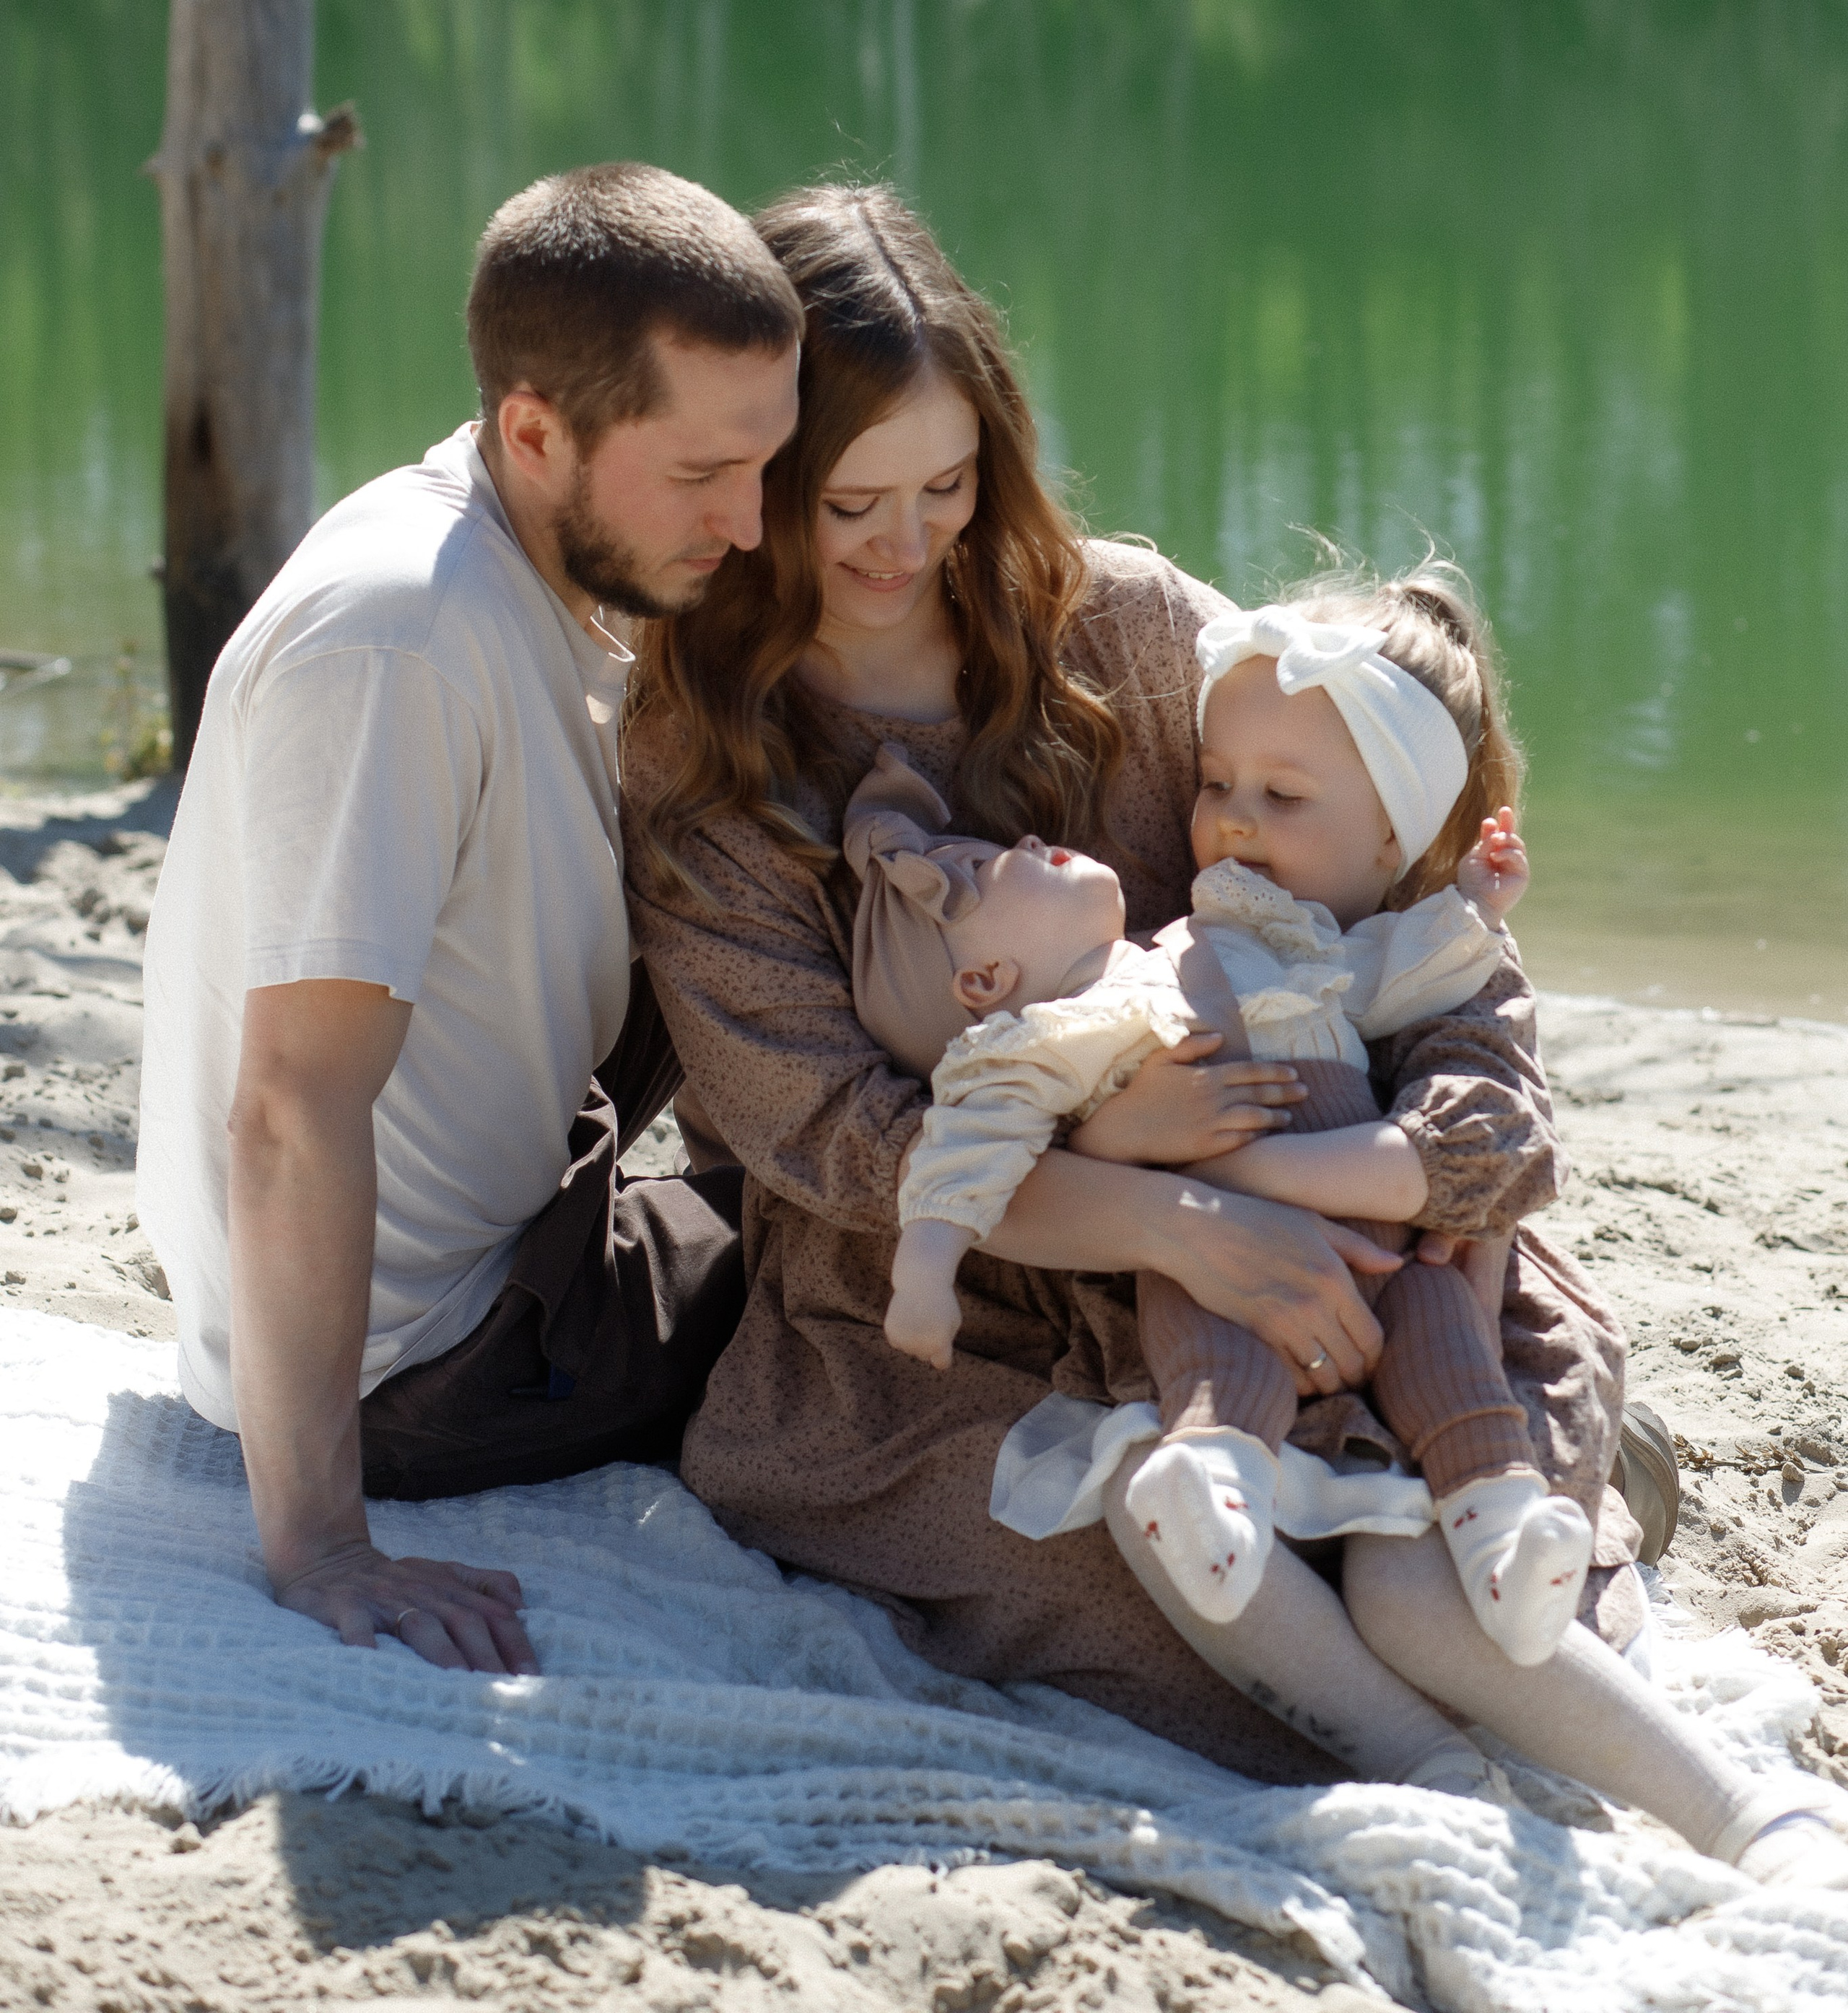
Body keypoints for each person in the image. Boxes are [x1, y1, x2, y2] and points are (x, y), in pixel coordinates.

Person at [622, 180, 1847, 1885]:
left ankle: (1597, 1654)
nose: (907, 545)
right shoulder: (712, 768)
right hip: (953, 1281)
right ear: (759, 479)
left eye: (949, 484)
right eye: (848, 501)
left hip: (1314, 1166)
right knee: (1162, 1574)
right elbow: (836, 1146)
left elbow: (1364, 794)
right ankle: (1437, 1780)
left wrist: (1461, 870)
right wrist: (1172, 1207)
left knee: (1435, 1482)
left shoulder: (1118, 622)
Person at [137, 164, 801, 1673]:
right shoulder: (402, 637)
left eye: (766, 464)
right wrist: (324, 1547)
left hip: (494, 1186)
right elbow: (291, 1109)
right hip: (432, 1356)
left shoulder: (510, 552)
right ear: (531, 429)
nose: (751, 524)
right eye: (703, 474)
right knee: (841, 1240)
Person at [846, 577, 1595, 1672]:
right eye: (1215, 783)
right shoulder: (1157, 971)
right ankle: (1214, 1475)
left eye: (1284, 796)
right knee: (1199, 1332)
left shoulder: (1352, 962)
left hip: (1378, 1252)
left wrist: (1476, 913)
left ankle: (1504, 1522)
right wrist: (935, 1256)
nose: (1235, 816)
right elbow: (992, 1106)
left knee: (1448, 1340)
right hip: (1217, 1260)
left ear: (1393, 841)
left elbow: (1423, 990)